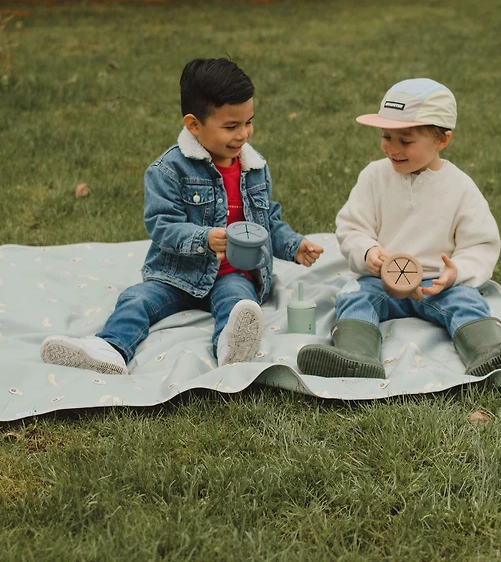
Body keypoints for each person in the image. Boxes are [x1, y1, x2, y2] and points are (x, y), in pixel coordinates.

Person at [41, 58, 324, 375]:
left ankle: (230, 347)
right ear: (193, 125)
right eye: (231, 126)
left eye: (249, 122)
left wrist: (294, 246)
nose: (244, 134)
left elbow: (268, 221)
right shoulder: (168, 170)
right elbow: (162, 226)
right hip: (177, 276)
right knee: (136, 299)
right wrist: (204, 238)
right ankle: (110, 348)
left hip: (234, 274)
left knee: (239, 303)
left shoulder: (255, 168)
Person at [297, 78, 501, 379]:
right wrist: (367, 251)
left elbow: (480, 244)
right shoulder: (374, 176)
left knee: (468, 302)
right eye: (386, 136)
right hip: (382, 280)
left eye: (406, 141)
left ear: (442, 140)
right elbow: (352, 226)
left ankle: (488, 352)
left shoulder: (460, 187)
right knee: (353, 296)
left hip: (437, 285)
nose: (393, 148)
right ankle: (356, 356)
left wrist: (456, 272)